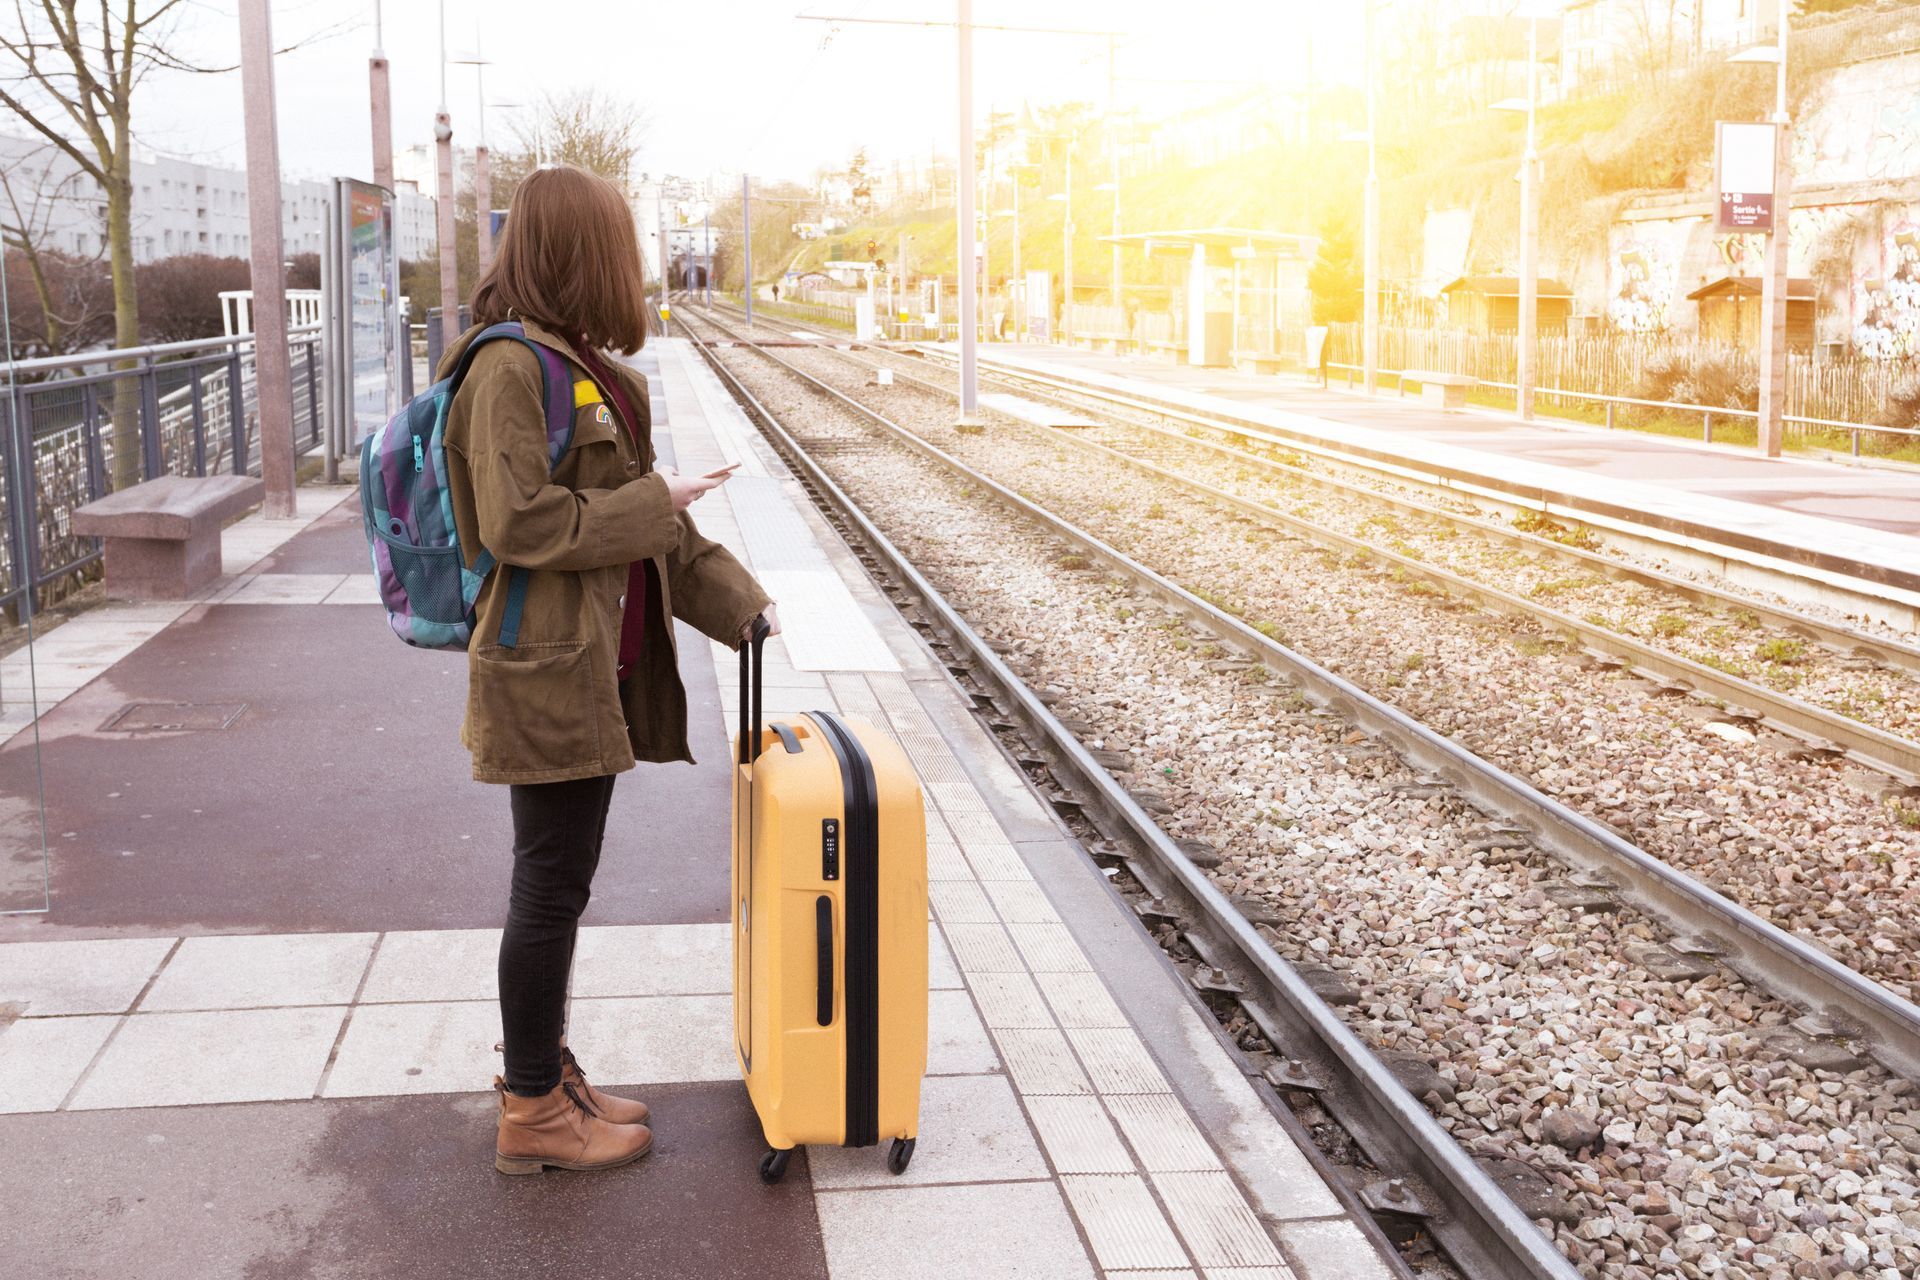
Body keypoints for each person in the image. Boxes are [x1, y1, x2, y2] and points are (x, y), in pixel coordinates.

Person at [441, 164, 777, 1176]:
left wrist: (744, 606)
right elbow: (520, 524)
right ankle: (534, 1107)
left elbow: (653, 533)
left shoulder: (579, 365)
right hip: (540, 666)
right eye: (616, 245)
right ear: (581, 251)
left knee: (559, 882)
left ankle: (542, 1071)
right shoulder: (508, 369)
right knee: (548, 887)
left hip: (586, 666)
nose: (629, 264)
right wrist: (657, 497)